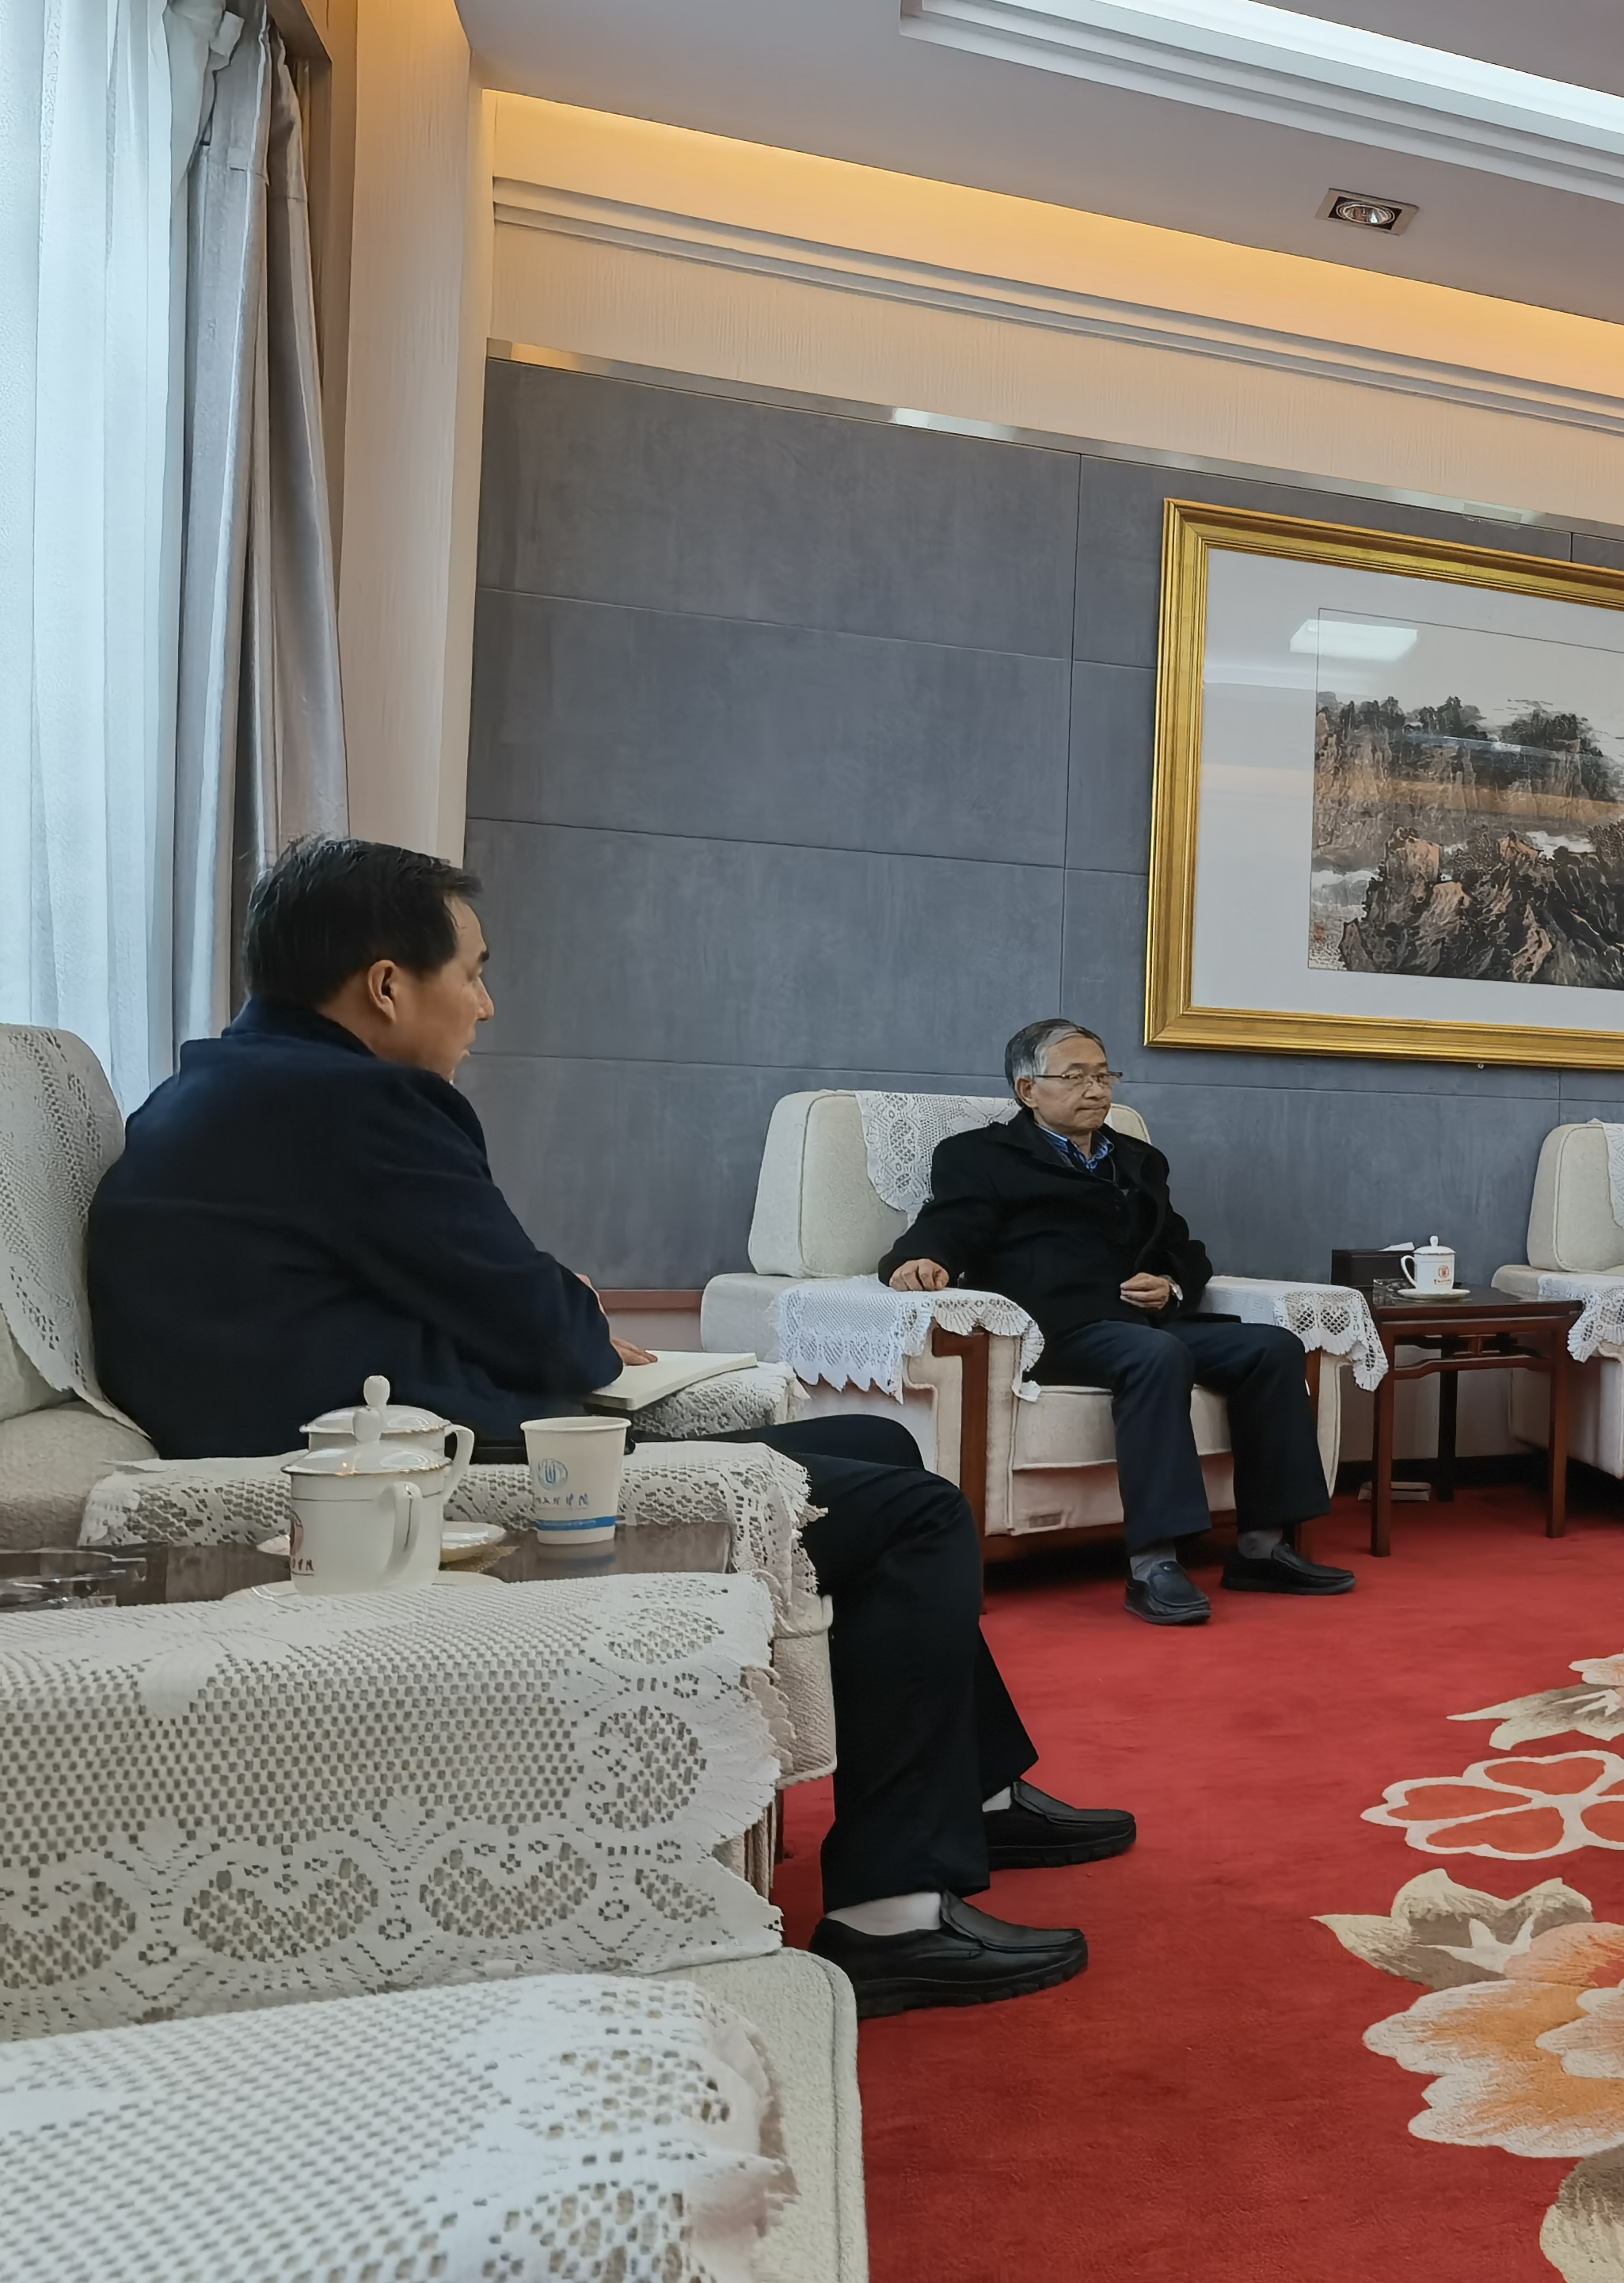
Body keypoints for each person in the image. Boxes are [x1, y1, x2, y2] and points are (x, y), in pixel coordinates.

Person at [86, 836, 1124, 2015]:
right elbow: (555, 1339)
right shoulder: (366, 1102)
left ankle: (975, 1788)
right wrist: (566, 1306)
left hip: (344, 1462)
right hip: (431, 1496)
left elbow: (422, 1295)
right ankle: (894, 1912)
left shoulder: (211, 1089)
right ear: (386, 984)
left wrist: (546, 1307)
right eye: (474, 971)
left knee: (876, 1449)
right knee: (915, 1512)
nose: (486, 1004)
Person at [882, 1021, 1352, 1628]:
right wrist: (921, 1260)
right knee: (1156, 1357)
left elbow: (1185, 1250)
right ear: (1028, 1090)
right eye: (1075, 1077)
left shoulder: (1138, 1160)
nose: (1096, 1090)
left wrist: (1171, 1284)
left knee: (1271, 1347)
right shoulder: (980, 1156)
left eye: (1104, 1076)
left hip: (1140, 1324)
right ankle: (1155, 1563)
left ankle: (1262, 1548)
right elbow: (950, 1223)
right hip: (1053, 1331)